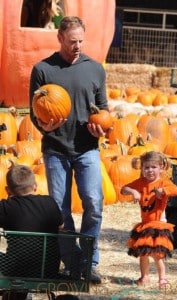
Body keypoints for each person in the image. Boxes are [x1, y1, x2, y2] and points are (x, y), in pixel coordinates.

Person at [29, 16, 110, 284]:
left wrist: (103, 127)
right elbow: (34, 114)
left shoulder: (95, 69)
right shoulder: (43, 69)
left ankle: (89, 262)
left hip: (87, 148)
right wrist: (45, 126)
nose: (77, 46)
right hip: (55, 150)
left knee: (94, 204)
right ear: (60, 38)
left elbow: (104, 108)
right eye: (72, 41)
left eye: (81, 41)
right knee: (61, 212)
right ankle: (73, 263)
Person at [0, 164, 63, 300]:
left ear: (7, 190)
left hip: (14, 269)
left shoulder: (5, 207)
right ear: (35, 185)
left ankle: (16, 295)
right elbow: (61, 225)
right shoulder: (50, 203)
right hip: (48, 270)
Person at [121, 151, 177, 288]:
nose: (150, 170)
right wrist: (133, 191)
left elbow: (176, 190)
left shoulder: (163, 182)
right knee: (143, 253)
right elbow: (123, 189)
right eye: (146, 167)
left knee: (157, 254)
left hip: (159, 225)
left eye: (153, 167)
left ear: (161, 168)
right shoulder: (141, 182)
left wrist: (163, 191)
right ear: (142, 169)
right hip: (145, 225)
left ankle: (162, 278)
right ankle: (144, 277)